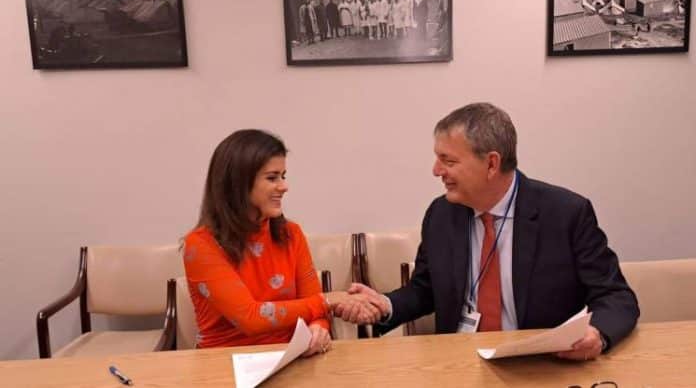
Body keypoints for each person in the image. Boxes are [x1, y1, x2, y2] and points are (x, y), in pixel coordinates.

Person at [335, 103, 640, 361]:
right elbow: (426, 289)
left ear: (491, 164)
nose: (436, 171)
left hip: (540, 365)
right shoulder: (442, 214)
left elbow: (616, 297)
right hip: (459, 364)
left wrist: (597, 335)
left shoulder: (565, 214)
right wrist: (385, 305)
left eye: (448, 160)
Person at [183, 130, 374, 355]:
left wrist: (318, 328)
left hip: (290, 357)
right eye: (272, 178)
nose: (284, 186)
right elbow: (251, 318)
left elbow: (314, 307)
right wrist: (328, 300)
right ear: (239, 183)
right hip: (225, 365)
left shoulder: (291, 233)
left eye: (283, 176)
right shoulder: (201, 245)